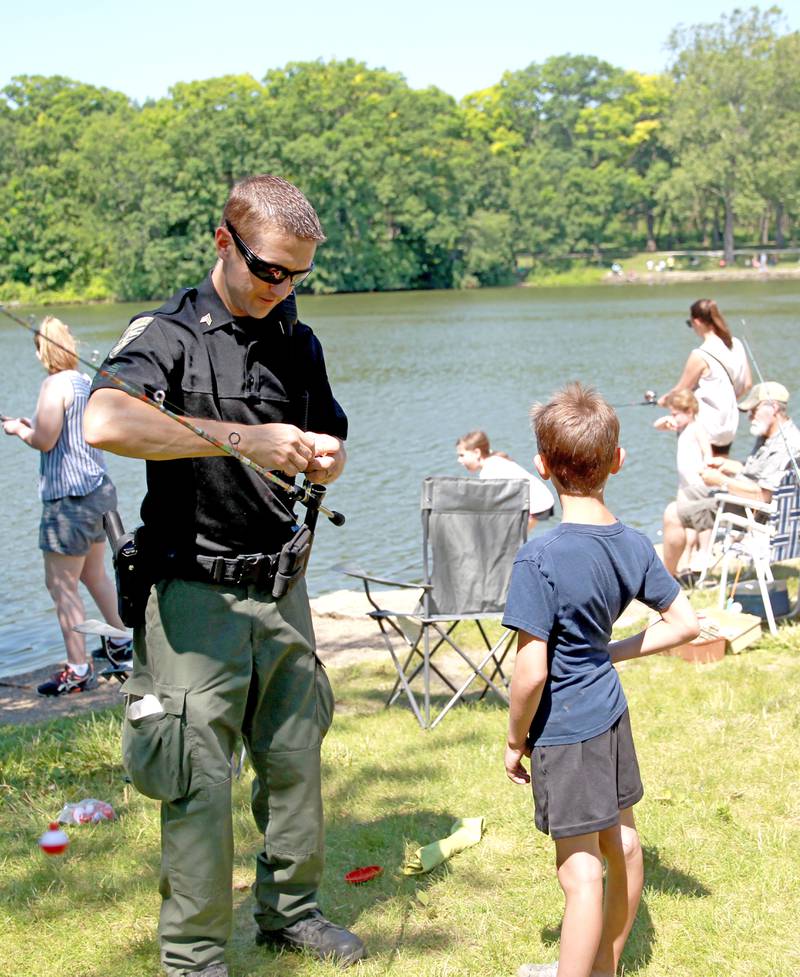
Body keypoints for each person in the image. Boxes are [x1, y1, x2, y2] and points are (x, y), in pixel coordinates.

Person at [83, 175, 363, 977]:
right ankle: (196, 957)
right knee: (197, 779)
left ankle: (291, 911)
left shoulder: (296, 340)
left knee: (294, 757)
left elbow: (326, 440)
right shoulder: (167, 333)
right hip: (194, 595)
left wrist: (328, 457)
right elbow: (105, 419)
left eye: (299, 276)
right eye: (269, 269)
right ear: (223, 242)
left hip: (283, 590)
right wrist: (243, 440)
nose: (282, 288)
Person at [501, 382, 698, 977]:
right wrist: (611, 653)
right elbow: (685, 623)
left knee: (581, 872)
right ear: (618, 460)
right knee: (625, 844)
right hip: (610, 714)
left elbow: (531, 671)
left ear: (542, 467)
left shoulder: (540, 556)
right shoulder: (632, 543)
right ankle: (606, 967)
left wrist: (514, 740)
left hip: (564, 729)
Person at [2, 316, 131, 696]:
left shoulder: (54, 383)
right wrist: (35, 425)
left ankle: (77, 669)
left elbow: (44, 440)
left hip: (69, 501)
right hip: (99, 493)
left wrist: (18, 429)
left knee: (60, 585)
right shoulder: (83, 381)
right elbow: (65, 432)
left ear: (42, 350)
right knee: (94, 576)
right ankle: (122, 642)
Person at [661, 381, 800, 578]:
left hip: (753, 513)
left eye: (754, 410)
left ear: (774, 408)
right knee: (687, 494)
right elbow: (757, 473)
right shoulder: (772, 434)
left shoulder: (786, 445)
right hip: (743, 498)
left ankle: (666, 581)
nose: (750, 416)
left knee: (672, 513)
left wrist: (721, 481)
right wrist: (728, 465)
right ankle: (683, 566)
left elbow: (763, 496)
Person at [657, 299, 752, 455]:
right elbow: (747, 384)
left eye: (690, 324)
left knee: (700, 474)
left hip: (706, 426)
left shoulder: (700, 355)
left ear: (697, 321)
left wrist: (662, 401)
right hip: (729, 425)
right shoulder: (735, 344)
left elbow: (680, 391)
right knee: (719, 473)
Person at [653, 389, 713, 578]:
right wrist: (667, 421)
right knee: (685, 519)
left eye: (675, 414)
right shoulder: (681, 427)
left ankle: (704, 552)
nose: (674, 418)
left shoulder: (696, 427)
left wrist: (707, 465)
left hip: (697, 482)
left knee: (701, 519)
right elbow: (657, 425)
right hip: (684, 483)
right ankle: (686, 556)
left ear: (688, 411)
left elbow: (707, 450)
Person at [456, 430, 555, 531]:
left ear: (477, 452)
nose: (459, 460)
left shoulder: (489, 471)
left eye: (462, 455)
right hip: (541, 501)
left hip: (536, 505)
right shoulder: (495, 459)